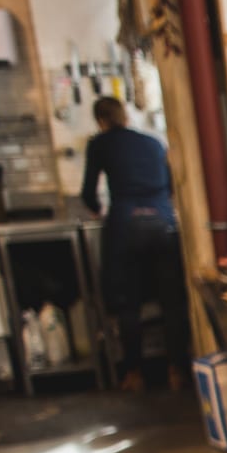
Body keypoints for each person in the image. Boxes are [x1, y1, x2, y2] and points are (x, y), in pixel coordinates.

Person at [81, 97, 189, 390]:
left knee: (128, 303)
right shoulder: (153, 142)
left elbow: (89, 192)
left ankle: (134, 374)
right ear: (125, 116)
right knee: (172, 302)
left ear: (100, 120)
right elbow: (170, 186)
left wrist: (96, 209)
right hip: (163, 222)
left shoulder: (100, 143)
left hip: (126, 225)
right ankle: (177, 371)